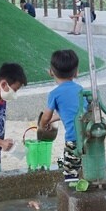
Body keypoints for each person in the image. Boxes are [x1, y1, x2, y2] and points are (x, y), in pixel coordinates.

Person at [39, 49, 83, 182]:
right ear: (76, 72)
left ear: (51, 72)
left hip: (73, 140)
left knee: (70, 173)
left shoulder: (54, 94)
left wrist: (43, 124)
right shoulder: (80, 90)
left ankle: (73, 191)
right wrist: (56, 118)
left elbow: (45, 117)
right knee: (86, 168)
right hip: (88, 136)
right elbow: (76, 112)